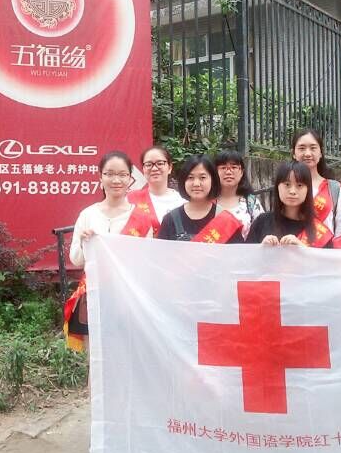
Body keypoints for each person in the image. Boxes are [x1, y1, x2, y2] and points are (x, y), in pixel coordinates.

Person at [64, 151, 158, 352]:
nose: (116, 180)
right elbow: (76, 260)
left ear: (130, 179)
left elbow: (147, 263)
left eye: (122, 174)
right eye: (110, 174)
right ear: (100, 177)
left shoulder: (141, 219)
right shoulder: (88, 215)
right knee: (96, 355)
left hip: (128, 298)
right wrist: (84, 242)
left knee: (126, 353)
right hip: (94, 294)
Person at [157, 155, 244, 243]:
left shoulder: (227, 221)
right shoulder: (170, 219)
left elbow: (238, 251)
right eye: (190, 178)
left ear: (213, 180)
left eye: (202, 177)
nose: (196, 184)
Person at [245, 161, 332, 248]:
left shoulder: (319, 231)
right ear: (277, 187)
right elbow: (245, 254)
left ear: (308, 190)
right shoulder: (262, 222)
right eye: (287, 184)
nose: (292, 191)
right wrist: (261, 248)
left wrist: (302, 249)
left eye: (299, 185)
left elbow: (327, 257)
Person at [291, 128, 341, 237]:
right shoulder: (285, 187)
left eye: (313, 148)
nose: (308, 153)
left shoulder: (335, 189)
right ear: (293, 153)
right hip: (291, 246)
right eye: (302, 148)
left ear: (321, 152)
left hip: (326, 247)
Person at [127, 145, 185, 234]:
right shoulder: (129, 199)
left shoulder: (182, 201)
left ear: (170, 167)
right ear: (143, 169)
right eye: (148, 164)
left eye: (160, 163)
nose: (154, 168)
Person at [213, 150, 264, 239]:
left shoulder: (251, 202)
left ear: (241, 172)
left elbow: (263, 231)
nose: (228, 172)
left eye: (234, 167)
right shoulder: (207, 201)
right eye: (223, 168)